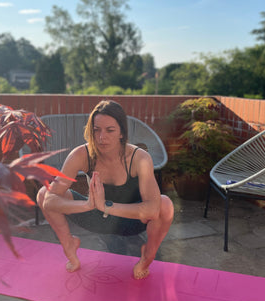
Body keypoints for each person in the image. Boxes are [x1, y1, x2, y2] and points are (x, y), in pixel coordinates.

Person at [37, 100, 174, 279]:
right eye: (97, 130)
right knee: (43, 193)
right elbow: (50, 200)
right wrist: (88, 205)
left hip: (131, 220)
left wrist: (106, 206)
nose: (102, 137)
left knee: (165, 204)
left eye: (110, 130)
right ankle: (68, 245)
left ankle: (148, 254)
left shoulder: (139, 158)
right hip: (95, 216)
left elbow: (153, 209)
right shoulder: (81, 155)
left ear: (121, 133)